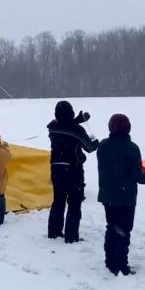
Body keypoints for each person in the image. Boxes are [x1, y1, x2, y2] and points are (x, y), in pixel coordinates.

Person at [97, 114, 145, 276]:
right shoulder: (132, 148)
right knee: (123, 230)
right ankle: (120, 265)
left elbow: (115, 168)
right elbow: (136, 175)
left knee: (112, 228)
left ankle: (110, 262)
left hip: (108, 196)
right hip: (125, 198)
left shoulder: (103, 146)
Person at [47, 101, 99, 243]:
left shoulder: (53, 128)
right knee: (74, 203)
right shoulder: (77, 130)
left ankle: (54, 232)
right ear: (71, 113)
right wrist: (96, 142)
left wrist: (79, 120)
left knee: (58, 201)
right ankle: (71, 236)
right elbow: (89, 147)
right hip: (73, 170)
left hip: (56, 169)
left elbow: (65, 127)